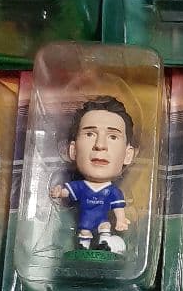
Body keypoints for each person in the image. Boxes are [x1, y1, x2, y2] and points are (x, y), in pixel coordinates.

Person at [50, 97, 136, 253]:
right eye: (90, 134)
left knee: (105, 228)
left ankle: (104, 244)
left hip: (103, 221)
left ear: (128, 154)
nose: (100, 145)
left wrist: (121, 220)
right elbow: (67, 192)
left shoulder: (112, 191)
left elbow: (118, 207)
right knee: (84, 233)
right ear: (73, 150)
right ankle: (83, 247)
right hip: (85, 221)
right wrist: (58, 192)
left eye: (113, 137)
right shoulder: (81, 186)